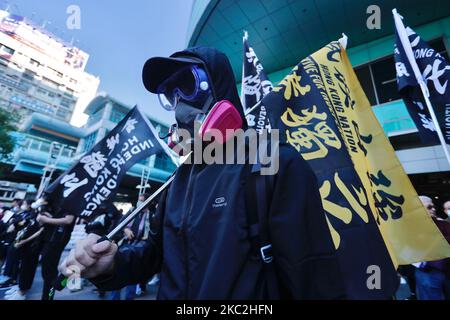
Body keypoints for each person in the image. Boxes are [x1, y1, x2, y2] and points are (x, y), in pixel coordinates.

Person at [60, 47, 345, 300]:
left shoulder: (271, 158)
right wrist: (111, 265)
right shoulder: (179, 179)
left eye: (187, 84)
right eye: (169, 95)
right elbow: (156, 254)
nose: (180, 103)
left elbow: (313, 275)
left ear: (218, 85)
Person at [6, 194, 76, 300]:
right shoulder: (52, 198)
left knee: (49, 274)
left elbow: (68, 220)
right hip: (42, 236)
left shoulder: (73, 199)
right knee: (27, 262)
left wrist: (47, 219)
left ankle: (47, 297)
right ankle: (22, 291)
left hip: (55, 239)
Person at [414, 196, 450, 300]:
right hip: (427, 272)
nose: (433, 209)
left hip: (447, 270)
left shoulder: (443, 224)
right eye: (429, 207)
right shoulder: (411, 228)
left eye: (433, 206)